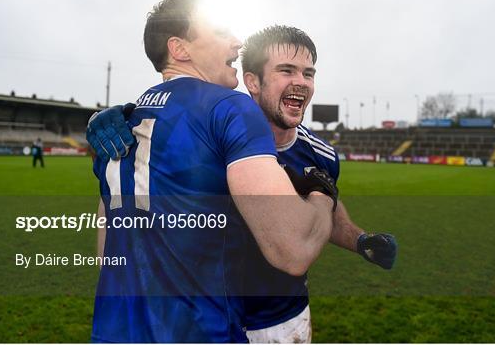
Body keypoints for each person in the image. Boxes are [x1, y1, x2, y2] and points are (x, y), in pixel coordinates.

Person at [89, 25, 398, 343]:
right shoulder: (215, 124)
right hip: (209, 318)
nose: (301, 83)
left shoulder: (321, 153)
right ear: (252, 81)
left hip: (281, 318)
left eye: (309, 74)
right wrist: (111, 115)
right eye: (286, 71)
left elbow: (327, 212)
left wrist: (360, 240)